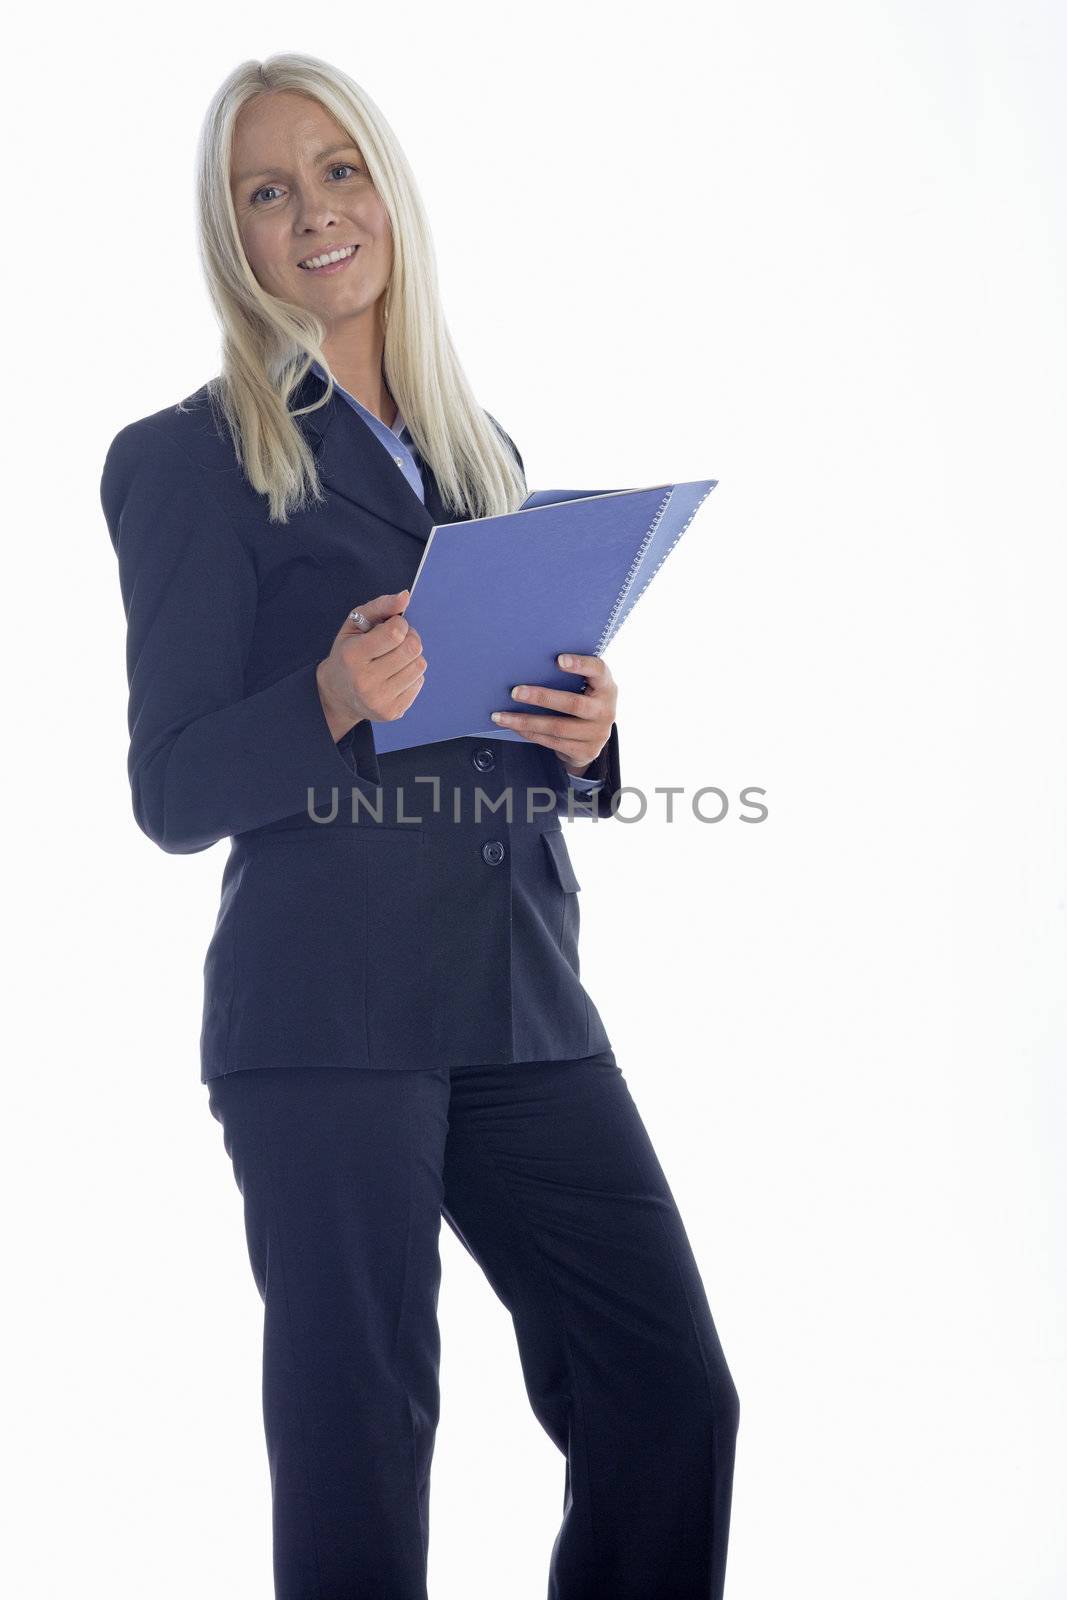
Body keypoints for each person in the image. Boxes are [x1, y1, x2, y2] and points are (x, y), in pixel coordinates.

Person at [100, 51, 740, 1600]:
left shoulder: (480, 452)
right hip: (325, 1022)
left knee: (670, 1398)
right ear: (232, 236)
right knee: (363, 1457)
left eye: (338, 168)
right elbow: (170, 791)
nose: (314, 211)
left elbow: (498, 718)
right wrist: (324, 695)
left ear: (387, 189)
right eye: (267, 190)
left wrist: (588, 739)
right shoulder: (183, 459)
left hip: (521, 1002)